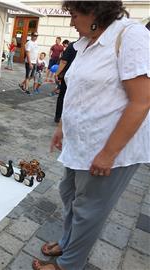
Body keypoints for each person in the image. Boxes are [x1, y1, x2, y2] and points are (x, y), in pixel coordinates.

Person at [33, 1, 150, 270]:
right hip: (82, 143)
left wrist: (108, 154)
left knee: (89, 210)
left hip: (109, 148)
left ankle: (68, 264)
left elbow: (142, 101)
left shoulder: (131, 35)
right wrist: (62, 126)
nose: (71, 22)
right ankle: (67, 241)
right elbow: (77, 91)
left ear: (94, 12)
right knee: (69, 194)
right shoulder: (86, 43)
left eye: (74, 15)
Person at [53, 41, 77, 123]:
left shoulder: (72, 45)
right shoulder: (89, 46)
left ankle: (58, 117)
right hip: (79, 77)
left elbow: (64, 61)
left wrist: (57, 73)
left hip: (68, 75)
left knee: (62, 96)